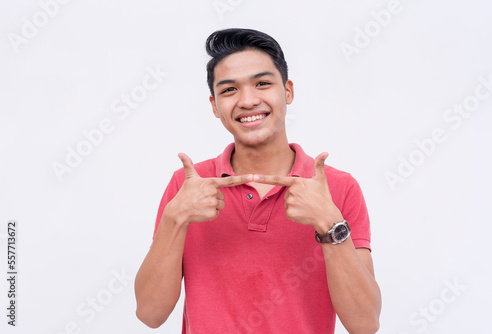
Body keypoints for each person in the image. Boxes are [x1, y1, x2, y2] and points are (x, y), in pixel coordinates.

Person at [135, 28, 381, 333]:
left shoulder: (339, 189)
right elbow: (149, 313)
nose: (248, 100)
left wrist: (330, 225)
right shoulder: (189, 186)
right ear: (214, 106)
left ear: (288, 91)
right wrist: (176, 218)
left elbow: (365, 324)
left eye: (262, 83)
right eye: (229, 90)